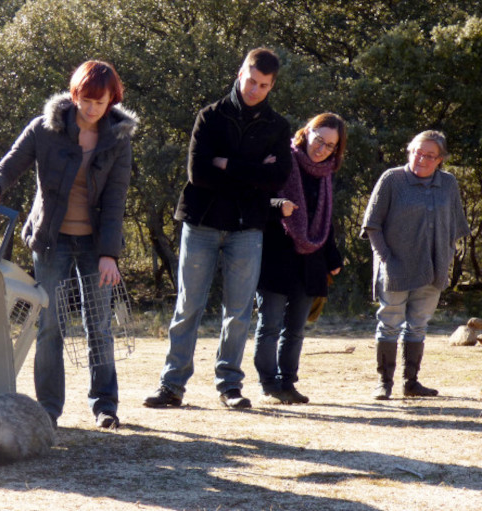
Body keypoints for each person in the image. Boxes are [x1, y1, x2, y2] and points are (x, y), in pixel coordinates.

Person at [0, 60, 138, 429]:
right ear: (74, 94)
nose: (92, 107)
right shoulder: (44, 128)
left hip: (97, 245)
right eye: (86, 99)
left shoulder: (118, 140)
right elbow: (9, 165)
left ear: (112, 100)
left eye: (101, 101)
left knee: (98, 324)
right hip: (51, 241)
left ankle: (105, 406)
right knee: (49, 324)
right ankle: (48, 410)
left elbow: (116, 200)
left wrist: (109, 255)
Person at [144, 48, 291, 410]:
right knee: (188, 307)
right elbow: (200, 175)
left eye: (264, 85)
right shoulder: (209, 116)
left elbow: (277, 179)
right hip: (202, 223)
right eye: (251, 81)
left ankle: (230, 386)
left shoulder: (278, 126)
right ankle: (172, 386)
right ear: (240, 72)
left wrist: (229, 164)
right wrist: (253, 170)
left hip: (248, 228)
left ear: (272, 86)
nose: (255, 89)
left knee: (238, 311)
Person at [361, 130, 469, 400]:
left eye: (429, 155)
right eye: (416, 152)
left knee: (418, 326)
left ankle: (411, 382)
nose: (421, 158)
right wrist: (385, 258)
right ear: (409, 150)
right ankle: (383, 383)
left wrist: (445, 256)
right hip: (396, 268)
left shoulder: (448, 183)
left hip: (433, 269)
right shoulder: (392, 179)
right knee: (389, 324)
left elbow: (455, 225)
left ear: (440, 159)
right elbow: (372, 225)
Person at [253, 113, 346, 405]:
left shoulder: (327, 174)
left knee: (295, 329)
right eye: (319, 140)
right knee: (269, 326)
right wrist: (279, 206)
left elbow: (325, 223)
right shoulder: (281, 160)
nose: (322, 149)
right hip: (275, 257)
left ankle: (288, 383)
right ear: (307, 132)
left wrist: (333, 257)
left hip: (311, 262)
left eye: (330, 145)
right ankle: (268, 384)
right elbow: (253, 201)